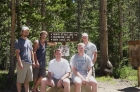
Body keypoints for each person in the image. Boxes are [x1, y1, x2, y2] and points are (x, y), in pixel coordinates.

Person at [15, 26, 35, 92]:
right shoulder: (18, 41)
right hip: (22, 62)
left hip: (29, 63)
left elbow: (31, 52)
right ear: (22, 32)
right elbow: (17, 53)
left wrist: (33, 61)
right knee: (20, 80)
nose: (26, 32)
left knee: (27, 80)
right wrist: (20, 63)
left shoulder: (29, 41)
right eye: (25, 31)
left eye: (27, 31)